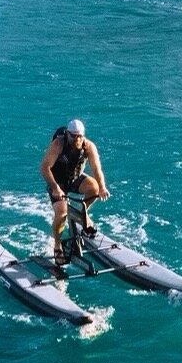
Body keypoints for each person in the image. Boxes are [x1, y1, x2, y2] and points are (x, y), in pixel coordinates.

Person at [40, 118, 108, 275]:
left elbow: (97, 169)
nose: (77, 139)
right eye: (73, 136)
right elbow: (44, 168)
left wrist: (103, 187)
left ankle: (82, 215)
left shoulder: (89, 146)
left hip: (74, 179)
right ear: (68, 135)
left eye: (80, 136)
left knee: (94, 188)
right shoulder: (58, 144)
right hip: (57, 183)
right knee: (62, 212)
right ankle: (57, 245)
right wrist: (55, 188)